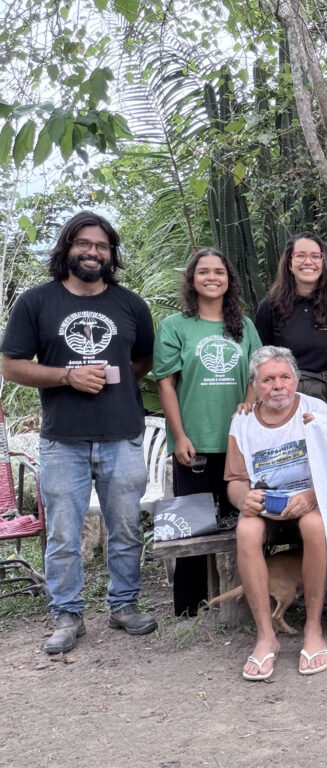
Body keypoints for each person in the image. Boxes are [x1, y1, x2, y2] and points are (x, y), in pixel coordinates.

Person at [1, 211, 158, 653]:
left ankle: (124, 605)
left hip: (121, 434)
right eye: (84, 244)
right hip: (62, 440)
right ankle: (67, 615)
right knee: (65, 533)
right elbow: (11, 366)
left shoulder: (130, 305)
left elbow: (142, 362)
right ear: (67, 248)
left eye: (102, 246)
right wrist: (68, 377)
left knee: (126, 528)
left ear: (111, 254)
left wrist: (112, 381)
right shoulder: (36, 302)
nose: (93, 252)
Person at [154, 248, 261, 615]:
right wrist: (179, 435)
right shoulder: (175, 326)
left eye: (219, 271)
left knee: (241, 523)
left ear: (229, 279)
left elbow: (257, 374)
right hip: (194, 442)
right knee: (192, 528)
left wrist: (247, 404)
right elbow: (165, 384)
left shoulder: (243, 326)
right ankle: (190, 608)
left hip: (236, 443)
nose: (212, 277)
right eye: (203, 271)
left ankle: (243, 603)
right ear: (192, 279)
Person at [225, 346, 327, 680]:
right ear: (255, 385)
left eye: (285, 377)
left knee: (315, 526)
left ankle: (313, 629)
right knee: (246, 530)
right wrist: (245, 499)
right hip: (266, 509)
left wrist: (313, 495)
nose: (278, 385)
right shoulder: (242, 420)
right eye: (268, 379)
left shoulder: (316, 409)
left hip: (308, 504)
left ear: (296, 379)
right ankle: (265, 637)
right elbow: (235, 479)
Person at [254, 233, 327, 404]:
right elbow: (261, 361)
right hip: (281, 393)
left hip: (326, 392)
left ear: (323, 262)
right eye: (300, 255)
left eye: (315, 256)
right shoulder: (269, 306)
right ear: (290, 263)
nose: (308, 262)